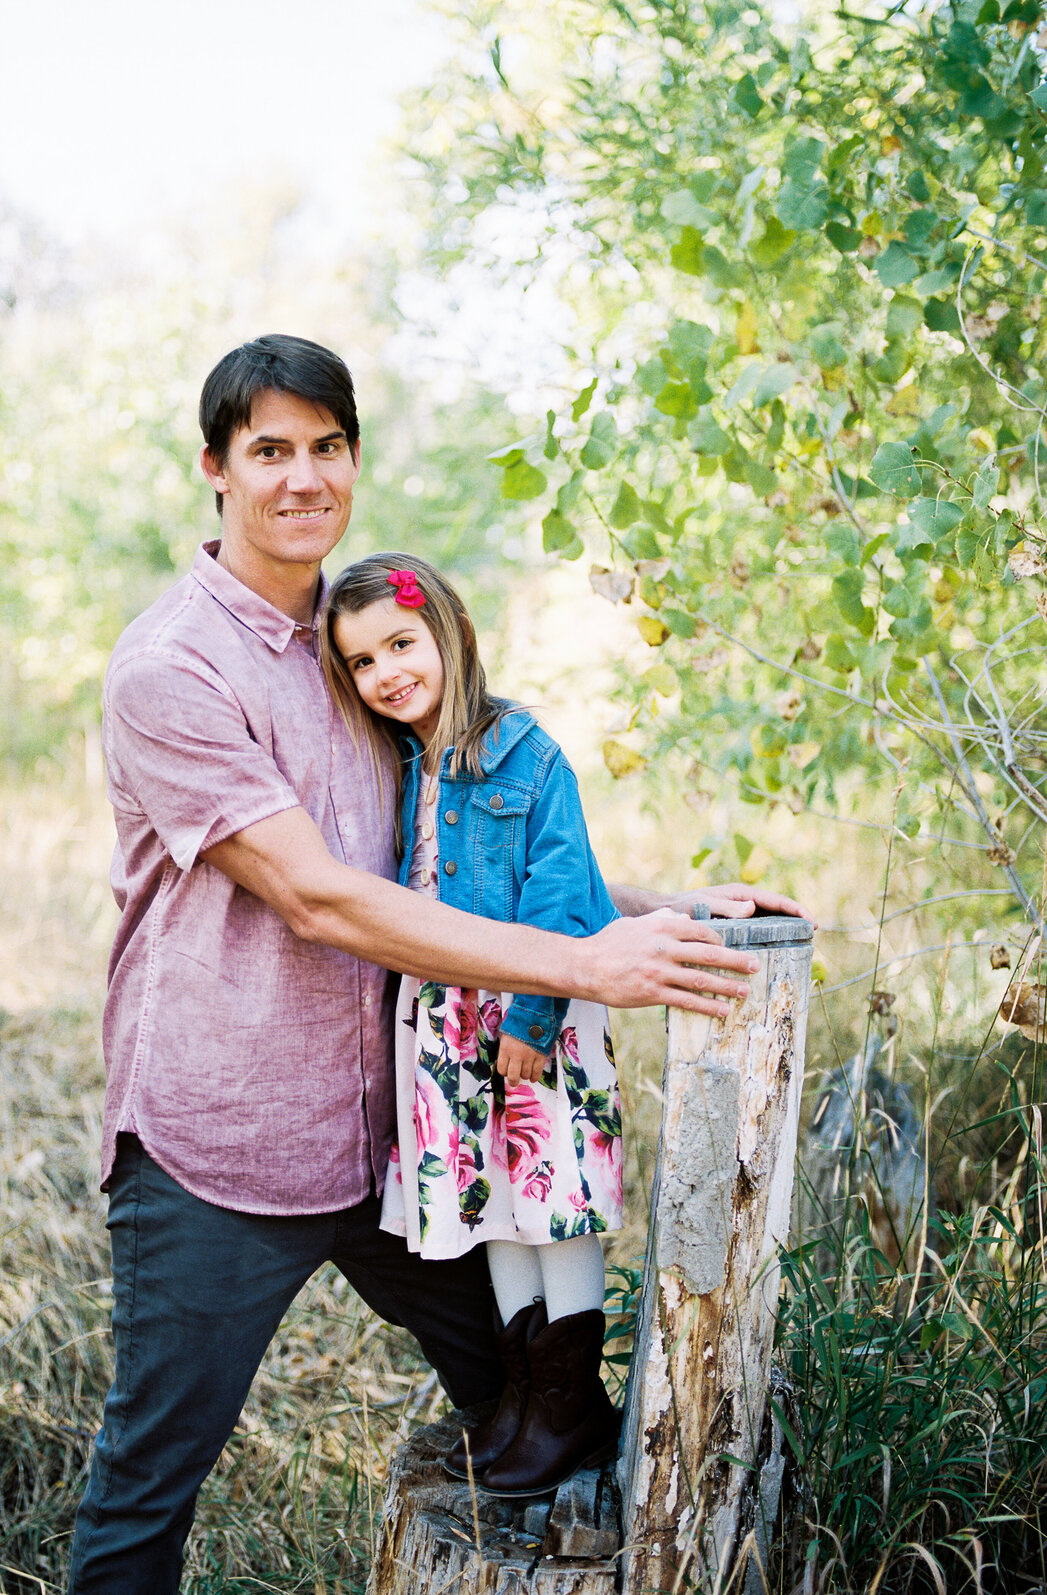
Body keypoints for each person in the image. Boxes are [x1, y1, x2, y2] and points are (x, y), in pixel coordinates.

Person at [69, 333, 808, 1593]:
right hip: (222, 1144)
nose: (304, 476)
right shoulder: (172, 667)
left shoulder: (368, 645)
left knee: (542, 1407)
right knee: (150, 1480)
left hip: (397, 1134)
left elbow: (456, 861)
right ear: (215, 469)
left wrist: (657, 914)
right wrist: (587, 973)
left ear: (352, 458)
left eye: (328, 446)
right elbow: (319, 893)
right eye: (270, 452)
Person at [322, 552, 626, 1496]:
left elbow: (567, 890)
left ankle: (572, 1408)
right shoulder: (408, 762)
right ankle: (524, 1404)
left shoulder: (525, 751)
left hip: (529, 1016)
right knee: (493, 1197)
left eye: (401, 644)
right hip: (449, 1026)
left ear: (449, 634)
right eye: (363, 663)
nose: (387, 674)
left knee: (554, 1191)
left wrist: (532, 1015)